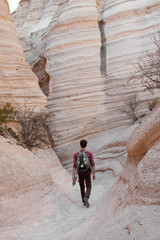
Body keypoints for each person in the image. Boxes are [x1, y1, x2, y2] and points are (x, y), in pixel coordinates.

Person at [72, 139, 96, 207]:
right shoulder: (89, 153)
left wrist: (73, 176)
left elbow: (74, 166)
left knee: (82, 187)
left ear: (80, 145)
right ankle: (86, 196)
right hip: (87, 171)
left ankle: (83, 200)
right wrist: (94, 174)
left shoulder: (76, 154)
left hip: (80, 172)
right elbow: (93, 164)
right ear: (86, 145)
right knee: (88, 185)